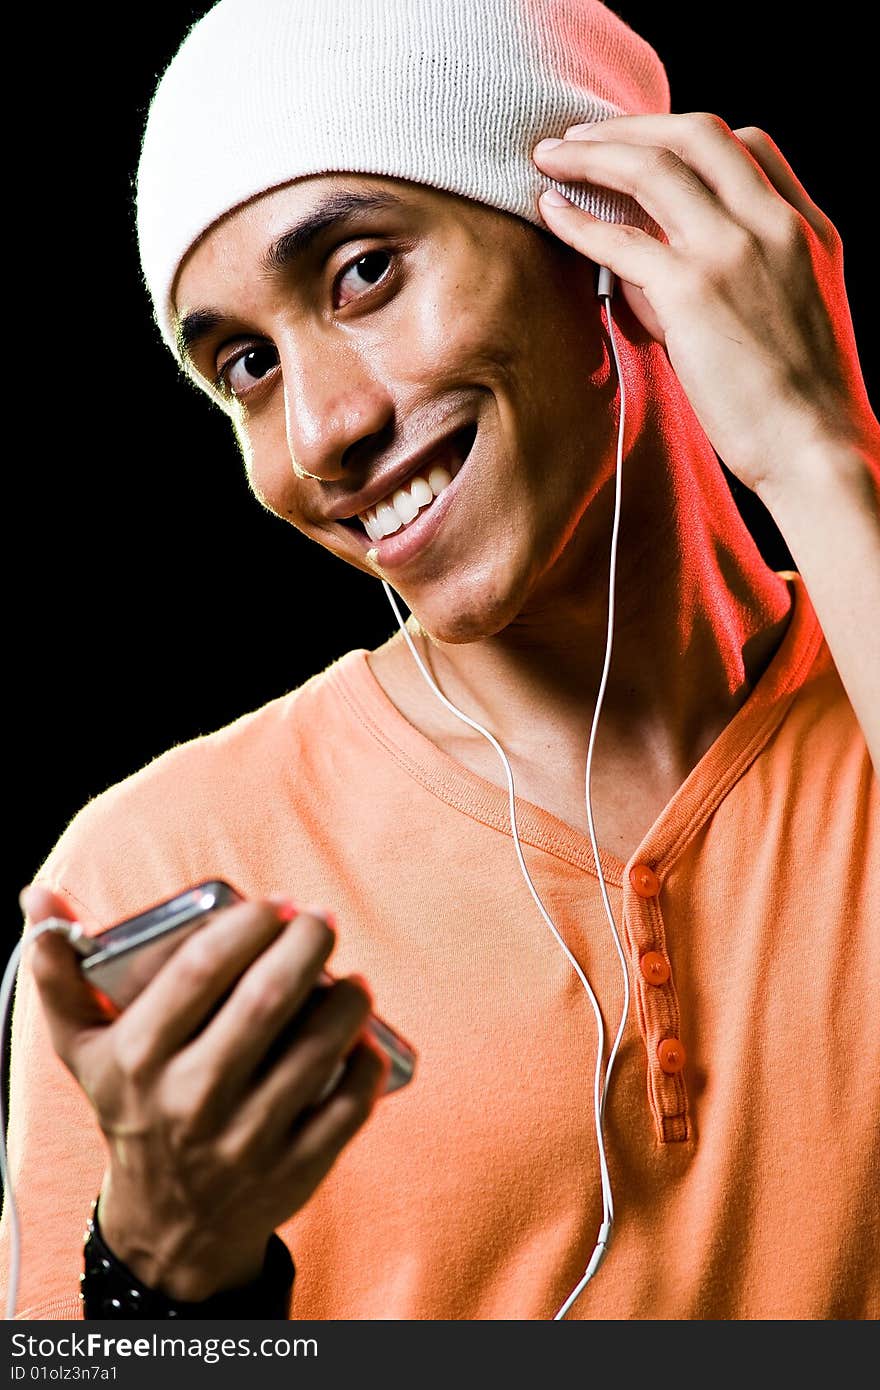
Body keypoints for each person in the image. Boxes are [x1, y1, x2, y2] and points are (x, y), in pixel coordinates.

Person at [3, 0, 878, 1321]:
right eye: (247, 362)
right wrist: (163, 1280)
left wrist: (820, 458)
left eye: (362, 273)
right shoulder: (155, 871)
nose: (320, 433)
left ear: (612, 233)